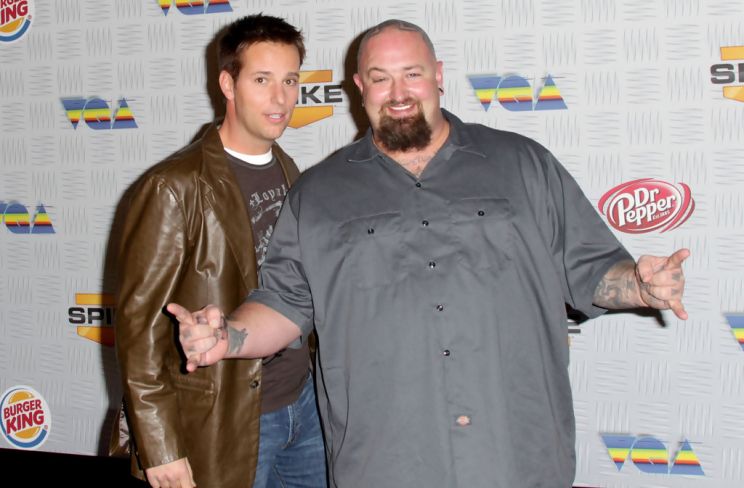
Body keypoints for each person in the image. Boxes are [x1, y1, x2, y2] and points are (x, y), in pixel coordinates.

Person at [170, 19, 690, 488]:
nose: (398, 93)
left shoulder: (522, 164)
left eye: (412, 74)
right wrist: (228, 337)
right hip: (385, 461)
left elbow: (592, 269)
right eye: (380, 78)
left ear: (438, 75)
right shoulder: (318, 193)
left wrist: (640, 286)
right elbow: (285, 303)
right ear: (359, 88)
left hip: (515, 454)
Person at [115, 14, 326, 488]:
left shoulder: (291, 171)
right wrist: (160, 446)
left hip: (304, 405)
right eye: (262, 80)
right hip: (226, 418)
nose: (280, 98)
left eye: (290, 80)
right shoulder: (174, 186)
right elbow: (138, 331)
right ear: (228, 84)